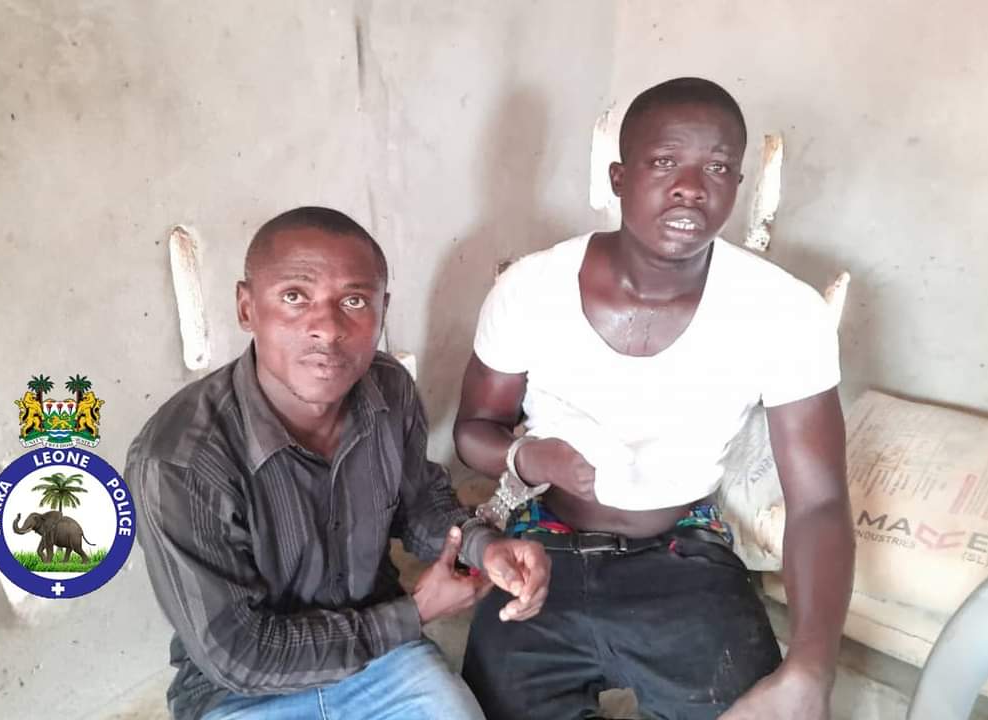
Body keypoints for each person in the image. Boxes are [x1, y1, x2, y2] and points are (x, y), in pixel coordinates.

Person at [454, 78, 854, 720]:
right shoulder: (531, 289)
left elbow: (821, 502)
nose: (691, 187)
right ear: (619, 177)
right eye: (665, 161)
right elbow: (473, 431)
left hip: (684, 554)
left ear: (737, 183)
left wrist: (812, 667)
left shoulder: (783, 312)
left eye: (717, 168)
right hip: (540, 555)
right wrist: (528, 457)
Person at [126, 206, 551, 720]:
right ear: (246, 308)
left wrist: (486, 546)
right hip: (242, 693)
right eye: (294, 297)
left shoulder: (389, 389)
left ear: (382, 310)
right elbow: (238, 656)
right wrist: (415, 612)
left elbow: (420, 505)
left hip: (382, 662)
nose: (327, 329)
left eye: (353, 301)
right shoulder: (179, 461)